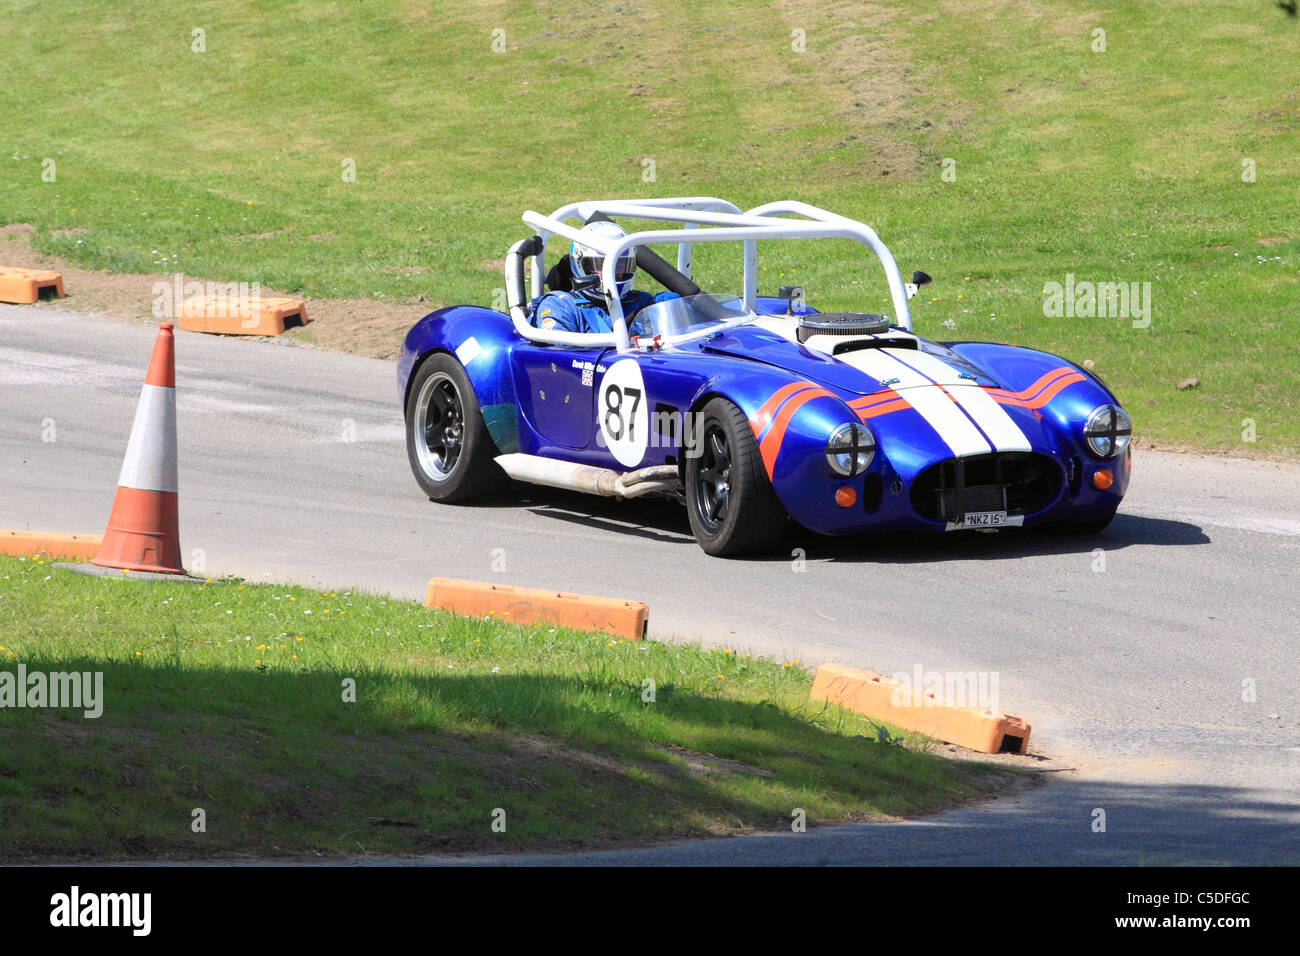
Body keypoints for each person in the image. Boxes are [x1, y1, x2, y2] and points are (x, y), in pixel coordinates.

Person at [531, 221, 674, 336]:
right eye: (603, 264)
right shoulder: (560, 306)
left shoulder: (642, 302)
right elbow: (558, 361)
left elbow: (683, 311)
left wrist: (687, 303)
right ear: (582, 264)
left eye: (621, 264)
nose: (615, 272)